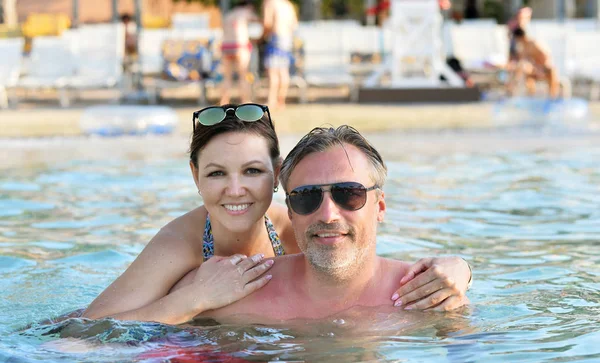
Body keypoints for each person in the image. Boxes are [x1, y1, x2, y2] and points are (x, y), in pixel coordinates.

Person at [82, 104, 472, 325]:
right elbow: (85, 332)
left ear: (275, 177)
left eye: (252, 171)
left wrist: (460, 268)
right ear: (195, 176)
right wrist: (194, 298)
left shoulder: (298, 223)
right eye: (217, 173)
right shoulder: (179, 243)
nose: (236, 189)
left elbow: (351, 257)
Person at [193, 125, 471, 322]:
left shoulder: (427, 295)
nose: (328, 215)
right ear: (290, 211)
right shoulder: (238, 291)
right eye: (306, 197)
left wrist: (462, 268)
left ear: (380, 207)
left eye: (349, 194)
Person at [220, 0, 258, 104]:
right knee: (243, 75)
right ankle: (245, 101)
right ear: (248, 6)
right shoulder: (245, 12)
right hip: (240, 46)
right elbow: (259, 22)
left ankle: (224, 101)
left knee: (227, 77)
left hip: (226, 46)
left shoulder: (229, 15)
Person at [261, 0, 298, 109]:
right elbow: (294, 24)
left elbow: (267, 23)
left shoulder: (270, 3)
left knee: (273, 72)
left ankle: (271, 101)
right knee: (283, 71)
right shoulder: (288, 4)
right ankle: (281, 101)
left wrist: (261, 38)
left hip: (275, 38)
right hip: (287, 39)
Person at [506, 27, 560, 99]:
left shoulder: (534, 43)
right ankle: (529, 95)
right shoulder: (523, 47)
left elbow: (546, 57)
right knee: (523, 70)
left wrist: (539, 67)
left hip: (544, 68)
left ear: (519, 37)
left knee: (550, 70)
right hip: (535, 70)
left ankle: (552, 97)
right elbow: (521, 61)